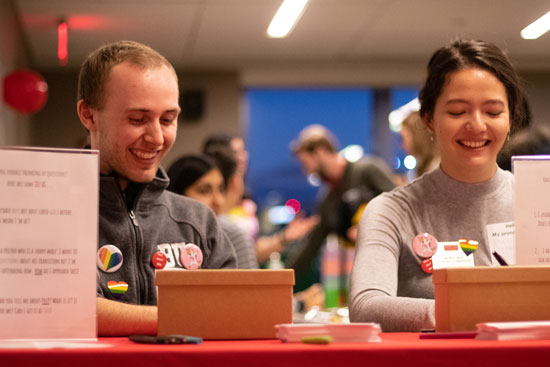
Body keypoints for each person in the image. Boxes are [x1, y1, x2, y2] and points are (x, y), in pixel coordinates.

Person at [350, 39, 529, 331]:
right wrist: (484, 313)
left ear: (511, 120)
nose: (477, 125)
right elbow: (366, 307)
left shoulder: (538, 202)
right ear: (430, 119)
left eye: (493, 112)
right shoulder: (391, 211)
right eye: (458, 112)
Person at [76, 40, 236, 336]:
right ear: (89, 115)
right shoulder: (52, 215)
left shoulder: (197, 221)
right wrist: (182, 317)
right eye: (137, 119)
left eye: (168, 119)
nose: (157, 138)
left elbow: (233, 313)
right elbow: (63, 309)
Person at [287, 124, 396, 291]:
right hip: (359, 277)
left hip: (392, 269)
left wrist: (372, 228)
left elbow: (402, 207)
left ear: (320, 151)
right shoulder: (328, 200)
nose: (305, 170)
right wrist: (282, 278)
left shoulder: (367, 170)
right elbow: (312, 246)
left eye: (305, 162)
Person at [202, 133, 319, 264]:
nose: (243, 157)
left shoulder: (247, 199)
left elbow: (250, 250)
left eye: (243, 151)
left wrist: (285, 237)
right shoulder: (210, 200)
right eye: (236, 152)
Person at [167, 154, 258, 269]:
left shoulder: (230, 235)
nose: (218, 201)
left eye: (221, 189)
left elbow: (249, 285)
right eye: (204, 191)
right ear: (177, 194)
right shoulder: (158, 232)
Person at [400, 110, 440, 178]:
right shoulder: (424, 165)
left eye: (404, 138)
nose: (402, 145)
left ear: (417, 136)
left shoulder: (436, 169)